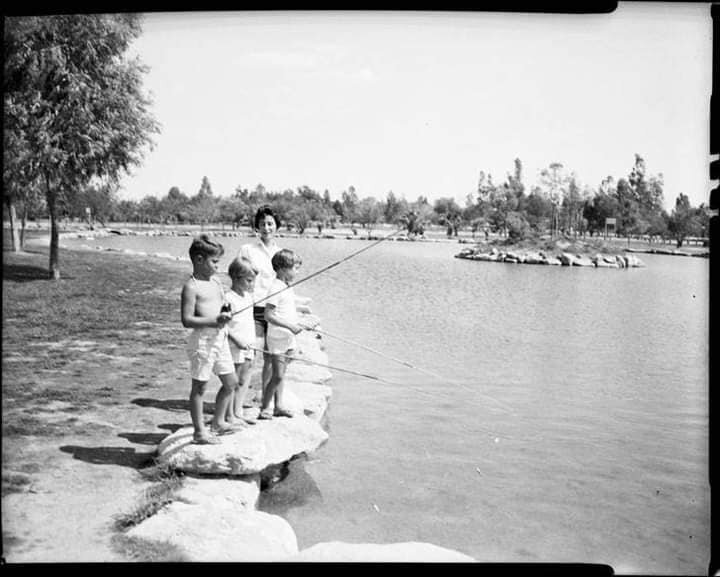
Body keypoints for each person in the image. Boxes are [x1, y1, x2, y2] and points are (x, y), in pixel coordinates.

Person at [238, 206, 313, 394]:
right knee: (251, 355)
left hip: (275, 311)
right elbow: (238, 277)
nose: (266, 227)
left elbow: (285, 286)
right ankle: (236, 405)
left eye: (270, 223)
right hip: (254, 309)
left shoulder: (282, 254)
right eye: (262, 224)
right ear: (257, 226)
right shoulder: (247, 249)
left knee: (272, 359)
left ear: (276, 226)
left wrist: (298, 306)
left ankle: (266, 399)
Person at [180, 234, 240, 444]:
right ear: (198, 260)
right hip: (203, 341)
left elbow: (221, 304)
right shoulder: (192, 286)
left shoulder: (215, 281)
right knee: (200, 387)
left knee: (231, 382)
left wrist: (226, 312)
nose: (217, 266)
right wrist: (214, 320)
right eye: (214, 261)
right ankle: (199, 432)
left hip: (220, 338)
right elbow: (187, 320)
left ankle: (218, 422)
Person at [259, 249, 318, 419]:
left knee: (281, 375)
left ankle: (278, 406)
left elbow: (287, 310)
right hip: (277, 338)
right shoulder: (275, 288)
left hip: (287, 338)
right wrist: (290, 327)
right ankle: (265, 407)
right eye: (295, 268)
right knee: (277, 375)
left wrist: (300, 323)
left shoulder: (286, 287)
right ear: (283, 269)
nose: (297, 272)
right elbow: (268, 315)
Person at [224, 256, 258, 426]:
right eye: (249, 281)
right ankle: (229, 414)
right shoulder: (228, 299)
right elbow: (222, 325)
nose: (252, 285)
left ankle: (238, 411)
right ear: (236, 278)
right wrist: (236, 340)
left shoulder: (247, 297)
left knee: (245, 379)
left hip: (248, 345)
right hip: (234, 346)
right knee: (233, 381)